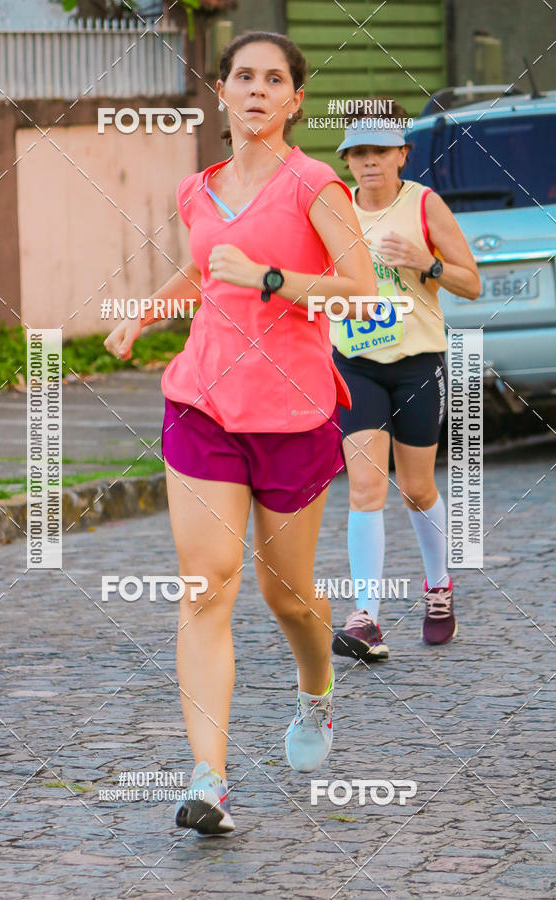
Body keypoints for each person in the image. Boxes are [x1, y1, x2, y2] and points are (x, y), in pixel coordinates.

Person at [104, 32, 377, 835]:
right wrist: (148, 315)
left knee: (285, 594)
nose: (257, 90)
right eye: (243, 77)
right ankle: (209, 780)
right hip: (203, 405)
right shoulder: (198, 189)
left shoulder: (316, 184)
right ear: (220, 91)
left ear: (295, 100)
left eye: (275, 80)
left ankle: (316, 692)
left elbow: (359, 283)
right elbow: (203, 266)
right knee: (207, 582)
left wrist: (270, 281)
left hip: (292, 414)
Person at [330, 102, 481, 664]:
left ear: (401, 155)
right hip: (355, 364)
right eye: (358, 153)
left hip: (418, 363)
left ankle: (438, 587)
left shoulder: (423, 204)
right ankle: (366, 615)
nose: (369, 163)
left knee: (416, 488)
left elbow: (472, 284)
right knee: (366, 487)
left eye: (379, 152)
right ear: (347, 161)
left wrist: (427, 262)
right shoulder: (332, 210)